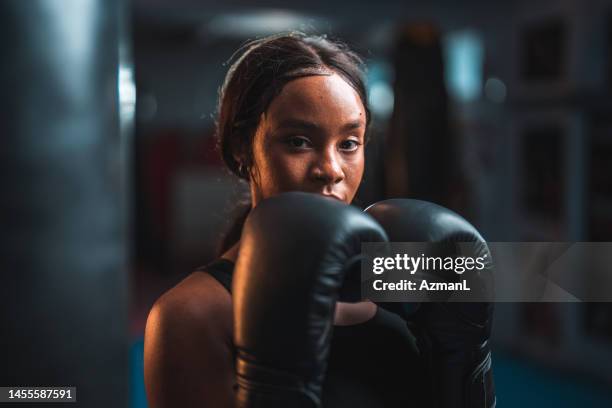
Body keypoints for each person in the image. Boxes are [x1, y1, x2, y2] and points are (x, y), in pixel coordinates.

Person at [143, 32, 428, 407]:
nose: (330, 170)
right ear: (243, 149)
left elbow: (532, 277)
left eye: (349, 143)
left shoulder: (399, 271)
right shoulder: (189, 315)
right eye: (298, 141)